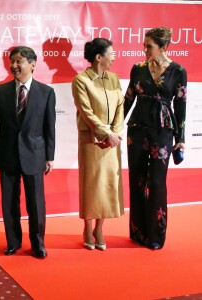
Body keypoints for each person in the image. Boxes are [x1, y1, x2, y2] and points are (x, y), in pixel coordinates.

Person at [0, 46, 56, 259]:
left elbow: (49, 127)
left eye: (19, 61)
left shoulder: (46, 92)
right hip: (7, 155)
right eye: (12, 61)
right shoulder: (0, 91)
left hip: (34, 155)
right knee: (9, 203)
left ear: (33, 64)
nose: (14, 65)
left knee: (36, 203)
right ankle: (13, 242)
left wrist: (50, 156)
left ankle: (38, 244)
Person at [124, 27, 187, 250]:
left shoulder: (178, 70)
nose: (144, 49)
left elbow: (181, 105)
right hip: (137, 128)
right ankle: (138, 231)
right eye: (144, 45)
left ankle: (155, 236)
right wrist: (114, 127)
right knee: (137, 179)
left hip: (163, 130)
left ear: (163, 47)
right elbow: (128, 98)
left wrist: (181, 138)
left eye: (149, 46)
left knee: (157, 183)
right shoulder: (137, 68)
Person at [71, 38, 124, 251]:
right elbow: (86, 111)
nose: (114, 57)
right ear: (98, 57)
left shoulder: (114, 78)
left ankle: (100, 227)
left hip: (112, 142)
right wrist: (105, 133)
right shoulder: (81, 80)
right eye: (111, 53)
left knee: (109, 185)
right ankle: (87, 226)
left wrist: (115, 132)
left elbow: (121, 104)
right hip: (91, 141)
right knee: (92, 184)